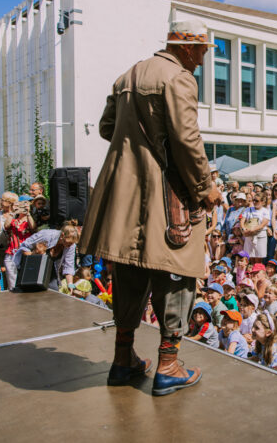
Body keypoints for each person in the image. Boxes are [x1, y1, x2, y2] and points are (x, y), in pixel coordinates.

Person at [78, 19, 222, 396]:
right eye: (203, 51)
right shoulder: (178, 78)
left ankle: (123, 360)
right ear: (188, 47)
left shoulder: (128, 75)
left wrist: (138, 145)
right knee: (175, 272)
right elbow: (188, 141)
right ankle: (169, 365)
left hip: (123, 193)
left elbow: (108, 128)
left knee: (128, 270)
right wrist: (206, 188)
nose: (204, 61)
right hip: (165, 192)